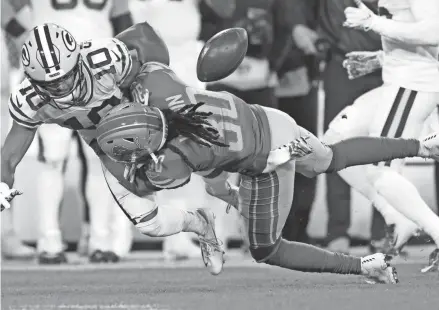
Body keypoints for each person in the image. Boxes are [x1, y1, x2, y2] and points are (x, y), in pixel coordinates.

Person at [94, 61, 439, 283]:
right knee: (330, 159)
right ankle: (422, 146)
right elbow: (147, 59)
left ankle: (364, 266)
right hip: (273, 119)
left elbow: (176, 174)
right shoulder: (157, 83)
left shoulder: (178, 157)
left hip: (268, 159)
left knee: (266, 250)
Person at [11, 0, 135, 264]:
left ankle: (66, 241)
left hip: (79, 71)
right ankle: (66, 240)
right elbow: (125, 24)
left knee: (93, 158)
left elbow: (124, 20)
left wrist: (28, 39)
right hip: (83, 72)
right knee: (58, 160)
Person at [323, 0, 439, 271]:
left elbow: (434, 32)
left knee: (381, 170)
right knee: (333, 143)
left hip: (412, 85)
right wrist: (380, 58)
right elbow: (415, 34)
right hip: (398, 81)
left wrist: (373, 22)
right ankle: (396, 217)